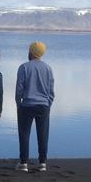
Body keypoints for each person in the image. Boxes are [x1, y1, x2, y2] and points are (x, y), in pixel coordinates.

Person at [15, 41, 54, 172]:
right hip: (43, 105)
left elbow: (19, 89)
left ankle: (23, 163)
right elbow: (51, 90)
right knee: (43, 135)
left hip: (26, 105)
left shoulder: (24, 67)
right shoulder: (48, 68)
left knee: (24, 135)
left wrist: (18, 103)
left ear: (31, 52)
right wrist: (48, 103)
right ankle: (42, 163)